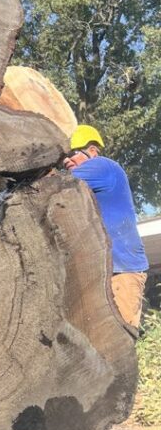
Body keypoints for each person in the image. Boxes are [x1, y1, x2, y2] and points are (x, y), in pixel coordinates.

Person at [64, 124, 148, 330]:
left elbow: (57, 184)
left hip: (121, 272)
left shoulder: (103, 166)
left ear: (92, 150)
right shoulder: (84, 188)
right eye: (62, 158)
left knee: (120, 337)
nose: (66, 161)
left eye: (71, 154)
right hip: (103, 272)